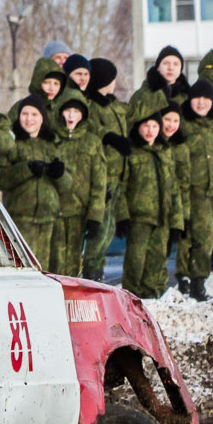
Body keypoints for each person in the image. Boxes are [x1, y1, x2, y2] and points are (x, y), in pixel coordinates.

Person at [174, 80, 213, 300]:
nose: (201, 103)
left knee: (206, 238)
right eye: (197, 98)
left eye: (206, 99)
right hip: (191, 191)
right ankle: (188, 280)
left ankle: (196, 280)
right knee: (191, 236)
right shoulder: (183, 126)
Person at [112, 110, 183, 299]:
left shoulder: (165, 152)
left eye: (154, 126)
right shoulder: (131, 152)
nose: (150, 130)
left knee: (157, 261)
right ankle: (132, 298)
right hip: (139, 219)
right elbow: (121, 186)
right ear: (138, 128)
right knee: (135, 262)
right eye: (146, 126)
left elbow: (173, 189)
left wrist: (177, 222)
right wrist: (122, 216)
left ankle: (153, 297)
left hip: (163, 219)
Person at [0, 95, 62, 266]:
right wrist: (26, 169)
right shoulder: (12, 143)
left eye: (34, 115)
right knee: (23, 267)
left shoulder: (52, 144)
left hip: (48, 220)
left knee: (46, 268)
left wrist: (59, 174)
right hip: (20, 219)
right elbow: (1, 179)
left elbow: (68, 185)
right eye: (25, 114)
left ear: (42, 118)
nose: (29, 119)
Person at [81, 58, 129, 278]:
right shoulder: (91, 106)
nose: (114, 83)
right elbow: (93, 132)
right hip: (103, 175)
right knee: (99, 232)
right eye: (111, 79)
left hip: (117, 175)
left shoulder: (112, 105)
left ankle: (96, 272)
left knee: (108, 230)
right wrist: (110, 138)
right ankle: (92, 272)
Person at [49, 96, 107, 278]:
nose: (71, 116)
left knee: (74, 264)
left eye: (76, 111)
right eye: (68, 111)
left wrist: (95, 216)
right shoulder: (52, 139)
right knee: (53, 263)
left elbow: (99, 183)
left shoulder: (92, 142)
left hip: (79, 212)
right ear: (60, 113)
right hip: (54, 211)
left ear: (83, 114)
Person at [130, 46, 190, 125]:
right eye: (166, 63)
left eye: (176, 64)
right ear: (158, 67)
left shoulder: (187, 96)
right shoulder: (142, 94)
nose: (171, 68)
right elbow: (131, 119)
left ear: (180, 69)